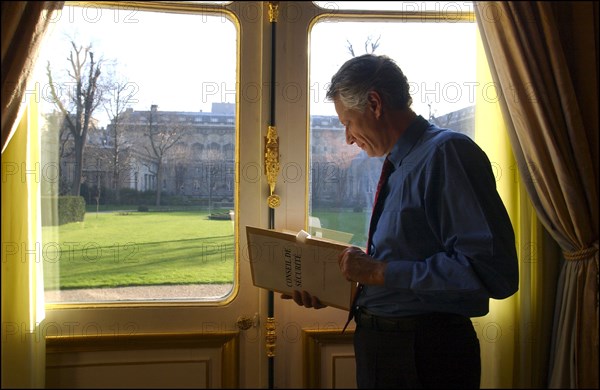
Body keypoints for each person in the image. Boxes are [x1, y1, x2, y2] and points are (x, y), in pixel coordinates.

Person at [282, 54, 519, 389]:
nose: (348, 138)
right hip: (389, 348)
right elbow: (408, 266)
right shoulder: (397, 163)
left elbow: (493, 271)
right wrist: (338, 288)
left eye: (347, 122)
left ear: (375, 103)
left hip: (425, 355)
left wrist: (377, 271)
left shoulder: (447, 154)